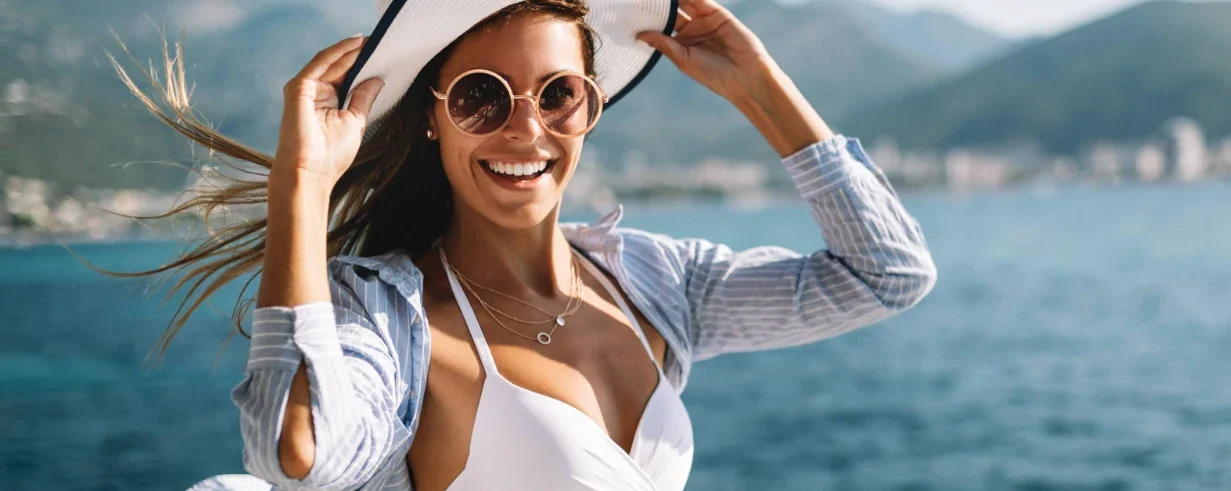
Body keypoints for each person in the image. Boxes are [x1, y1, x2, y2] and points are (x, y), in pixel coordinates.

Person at [122, 0, 935, 489]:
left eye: (559, 94)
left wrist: (759, 86)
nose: (527, 126)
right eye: (482, 97)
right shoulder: (395, 322)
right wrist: (302, 183)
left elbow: (886, 274)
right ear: (434, 113)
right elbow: (291, 453)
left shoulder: (650, 280)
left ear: (592, 108)